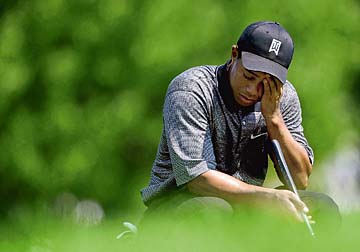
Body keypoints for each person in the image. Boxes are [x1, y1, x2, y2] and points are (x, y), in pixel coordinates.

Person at [140, 21, 340, 229]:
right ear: (234, 54)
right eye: (249, 76)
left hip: (247, 205)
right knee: (214, 208)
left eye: (266, 82)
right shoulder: (191, 89)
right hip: (178, 205)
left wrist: (274, 119)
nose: (253, 90)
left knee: (321, 206)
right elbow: (197, 179)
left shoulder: (283, 97)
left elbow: (299, 179)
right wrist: (267, 198)